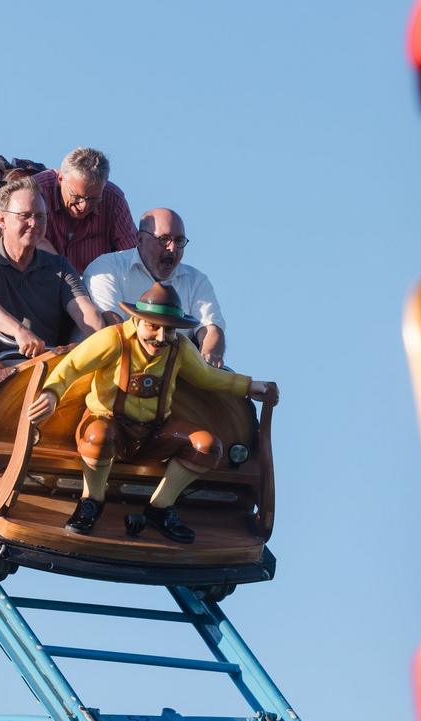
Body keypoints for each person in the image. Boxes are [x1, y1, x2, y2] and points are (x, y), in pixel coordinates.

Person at [26, 282, 277, 541]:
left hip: (153, 434)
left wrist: (248, 385)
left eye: (168, 330)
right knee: (98, 436)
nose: (160, 337)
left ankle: (160, 507)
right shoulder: (113, 339)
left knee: (207, 446)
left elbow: (206, 377)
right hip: (108, 424)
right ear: (137, 320)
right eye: (153, 326)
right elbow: (71, 367)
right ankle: (91, 502)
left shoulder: (179, 348)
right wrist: (51, 393)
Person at [0, 177, 105, 358]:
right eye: (24, 216)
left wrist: (103, 341)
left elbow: (85, 312)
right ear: (2, 220)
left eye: (40, 217)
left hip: (49, 368)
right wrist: (18, 331)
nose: (33, 224)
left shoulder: (59, 267)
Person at [82, 208, 228, 367]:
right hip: (106, 374)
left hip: (170, 379)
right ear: (139, 239)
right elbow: (113, 327)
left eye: (179, 241)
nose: (172, 248)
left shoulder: (196, 280)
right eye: (164, 239)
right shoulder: (107, 267)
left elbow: (211, 328)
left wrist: (209, 359)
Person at [33, 147, 139, 273]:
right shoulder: (36, 191)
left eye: (93, 199)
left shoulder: (114, 199)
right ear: (60, 178)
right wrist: (67, 276)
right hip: (41, 280)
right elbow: (27, 238)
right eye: (76, 196)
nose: (83, 206)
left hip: (99, 287)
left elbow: (131, 257)